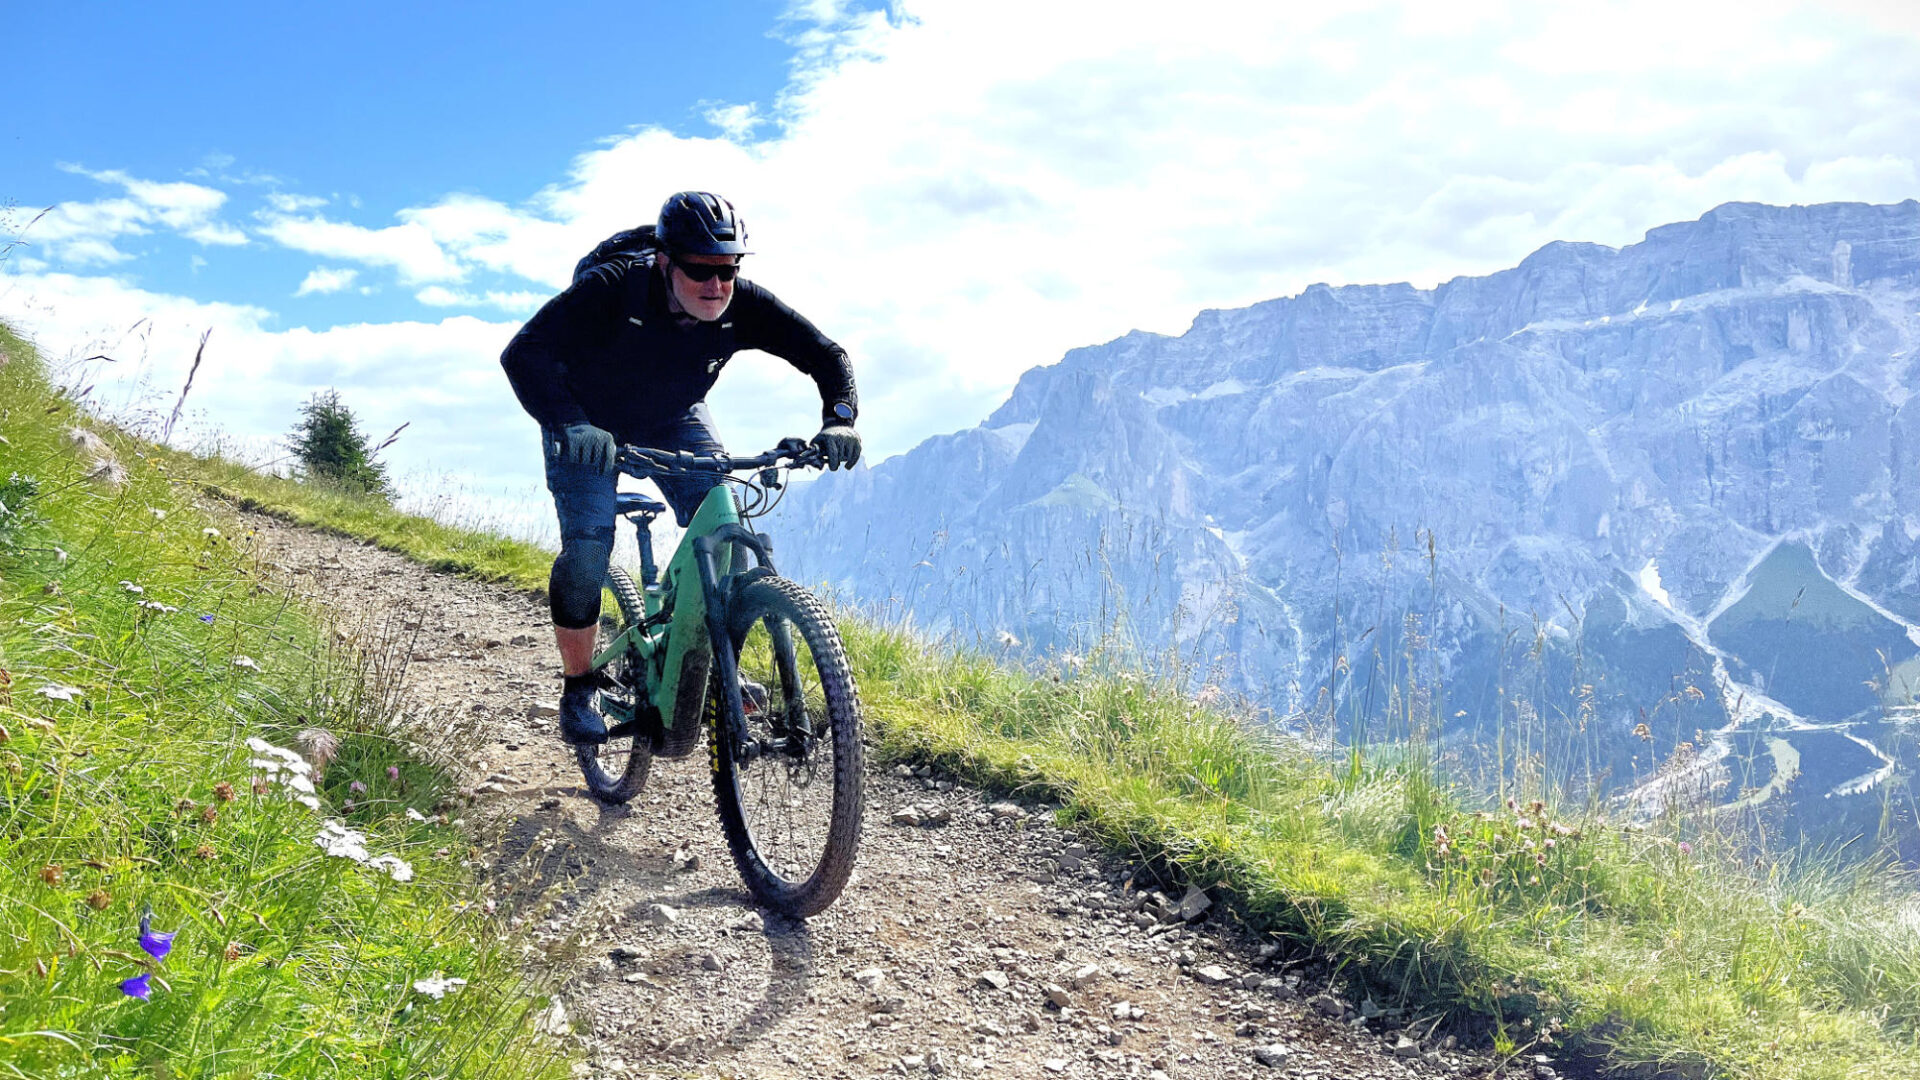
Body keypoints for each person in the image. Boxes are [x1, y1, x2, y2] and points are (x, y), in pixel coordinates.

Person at [501, 191, 860, 745]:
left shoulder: (742, 304)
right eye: (699, 270)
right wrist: (570, 423)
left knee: (724, 531)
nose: (716, 285)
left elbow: (826, 354)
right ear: (666, 263)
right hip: (587, 426)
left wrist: (839, 419)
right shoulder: (613, 288)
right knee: (588, 552)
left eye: (728, 270)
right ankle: (579, 687)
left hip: (675, 417)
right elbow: (524, 353)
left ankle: (714, 662)